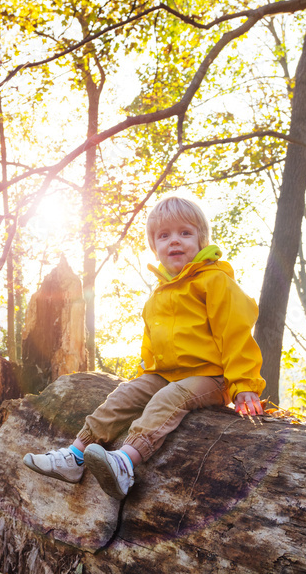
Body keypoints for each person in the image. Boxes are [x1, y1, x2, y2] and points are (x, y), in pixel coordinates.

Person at [23, 196, 265, 499]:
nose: (174, 241)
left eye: (184, 233)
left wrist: (244, 384)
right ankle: (76, 455)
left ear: (201, 239)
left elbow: (236, 333)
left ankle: (125, 462)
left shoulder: (214, 281)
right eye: (164, 236)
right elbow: (153, 342)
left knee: (169, 398)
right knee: (123, 395)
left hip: (212, 377)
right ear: (154, 246)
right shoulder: (159, 294)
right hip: (166, 373)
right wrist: (144, 375)